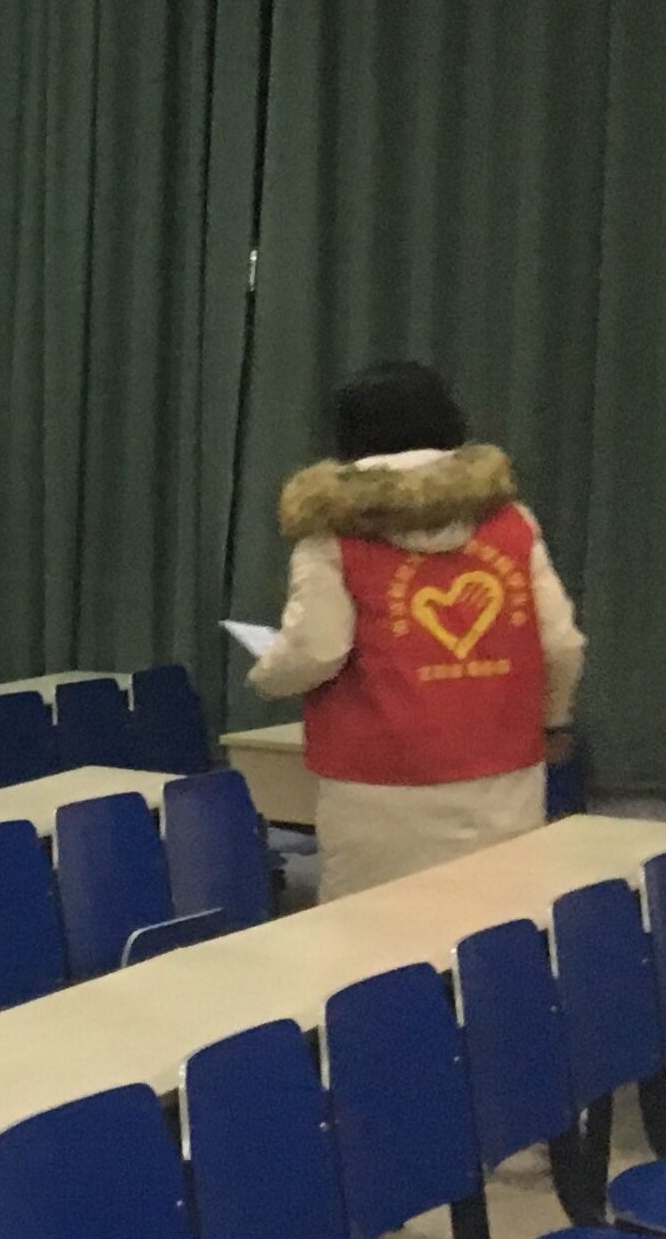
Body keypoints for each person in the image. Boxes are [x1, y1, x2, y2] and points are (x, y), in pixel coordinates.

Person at [249, 360, 584, 902]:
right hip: (503, 774)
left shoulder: (334, 531)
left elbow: (316, 649)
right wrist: (554, 721)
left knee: (372, 933)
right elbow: (560, 643)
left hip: (376, 781)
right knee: (497, 925)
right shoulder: (511, 522)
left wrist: (268, 673)